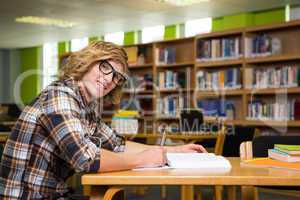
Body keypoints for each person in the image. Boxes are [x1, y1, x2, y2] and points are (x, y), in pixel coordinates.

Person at [0, 41, 207, 199]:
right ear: (88, 62)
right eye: (105, 67)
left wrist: (172, 151)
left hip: (53, 193)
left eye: (116, 77)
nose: (109, 80)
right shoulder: (60, 96)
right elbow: (86, 158)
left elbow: (117, 145)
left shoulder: (86, 106)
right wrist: (144, 159)